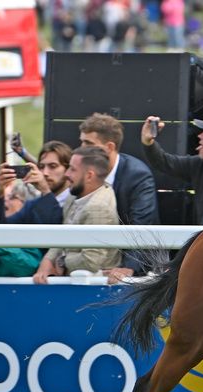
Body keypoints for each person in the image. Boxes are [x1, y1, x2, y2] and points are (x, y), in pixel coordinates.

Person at [78, 113, 159, 281]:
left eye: (89, 143)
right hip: (88, 265)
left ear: (109, 146)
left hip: (130, 269)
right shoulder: (81, 169)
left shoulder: (138, 176)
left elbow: (141, 226)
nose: (81, 149)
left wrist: (128, 267)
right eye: (82, 142)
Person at [33, 147, 122, 284]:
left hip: (92, 290)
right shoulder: (74, 196)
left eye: (72, 169)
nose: (67, 174)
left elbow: (90, 262)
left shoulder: (98, 207)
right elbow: (62, 235)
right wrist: (47, 261)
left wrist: (60, 261)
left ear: (89, 176)